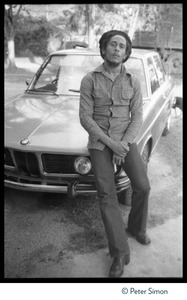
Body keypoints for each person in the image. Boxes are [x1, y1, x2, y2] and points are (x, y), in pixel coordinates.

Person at [79, 30, 151, 278]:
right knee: (106, 194)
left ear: (126, 53)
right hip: (100, 143)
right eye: (113, 45)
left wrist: (123, 144)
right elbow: (85, 118)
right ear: (103, 50)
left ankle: (137, 228)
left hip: (125, 140)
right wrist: (113, 144)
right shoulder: (89, 79)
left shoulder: (134, 81)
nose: (117, 49)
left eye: (122, 46)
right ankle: (119, 253)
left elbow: (138, 116)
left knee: (142, 186)